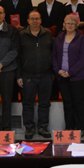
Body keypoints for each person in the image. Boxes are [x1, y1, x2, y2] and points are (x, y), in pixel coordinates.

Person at [52, 14, 84, 136]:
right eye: (68, 23)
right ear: (64, 24)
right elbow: (54, 56)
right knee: (67, 103)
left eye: (72, 23)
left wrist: (71, 72)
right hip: (62, 76)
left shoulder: (82, 38)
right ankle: (69, 127)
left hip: (79, 77)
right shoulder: (59, 38)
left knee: (79, 102)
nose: (70, 25)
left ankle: (80, 128)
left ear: (76, 25)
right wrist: (58, 70)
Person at [18, 10, 54, 139]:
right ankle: (29, 127)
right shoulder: (21, 35)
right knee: (28, 103)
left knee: (44, 103)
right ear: (28, 21)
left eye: (37, 19)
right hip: (27, 76)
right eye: (32, 19)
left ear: (41, 20)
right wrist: (18, 76)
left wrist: (53, 72)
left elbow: (53, 53)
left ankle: (43, 127)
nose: (35, 21)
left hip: (46, 75)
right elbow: (17, 57)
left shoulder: (48, 34)